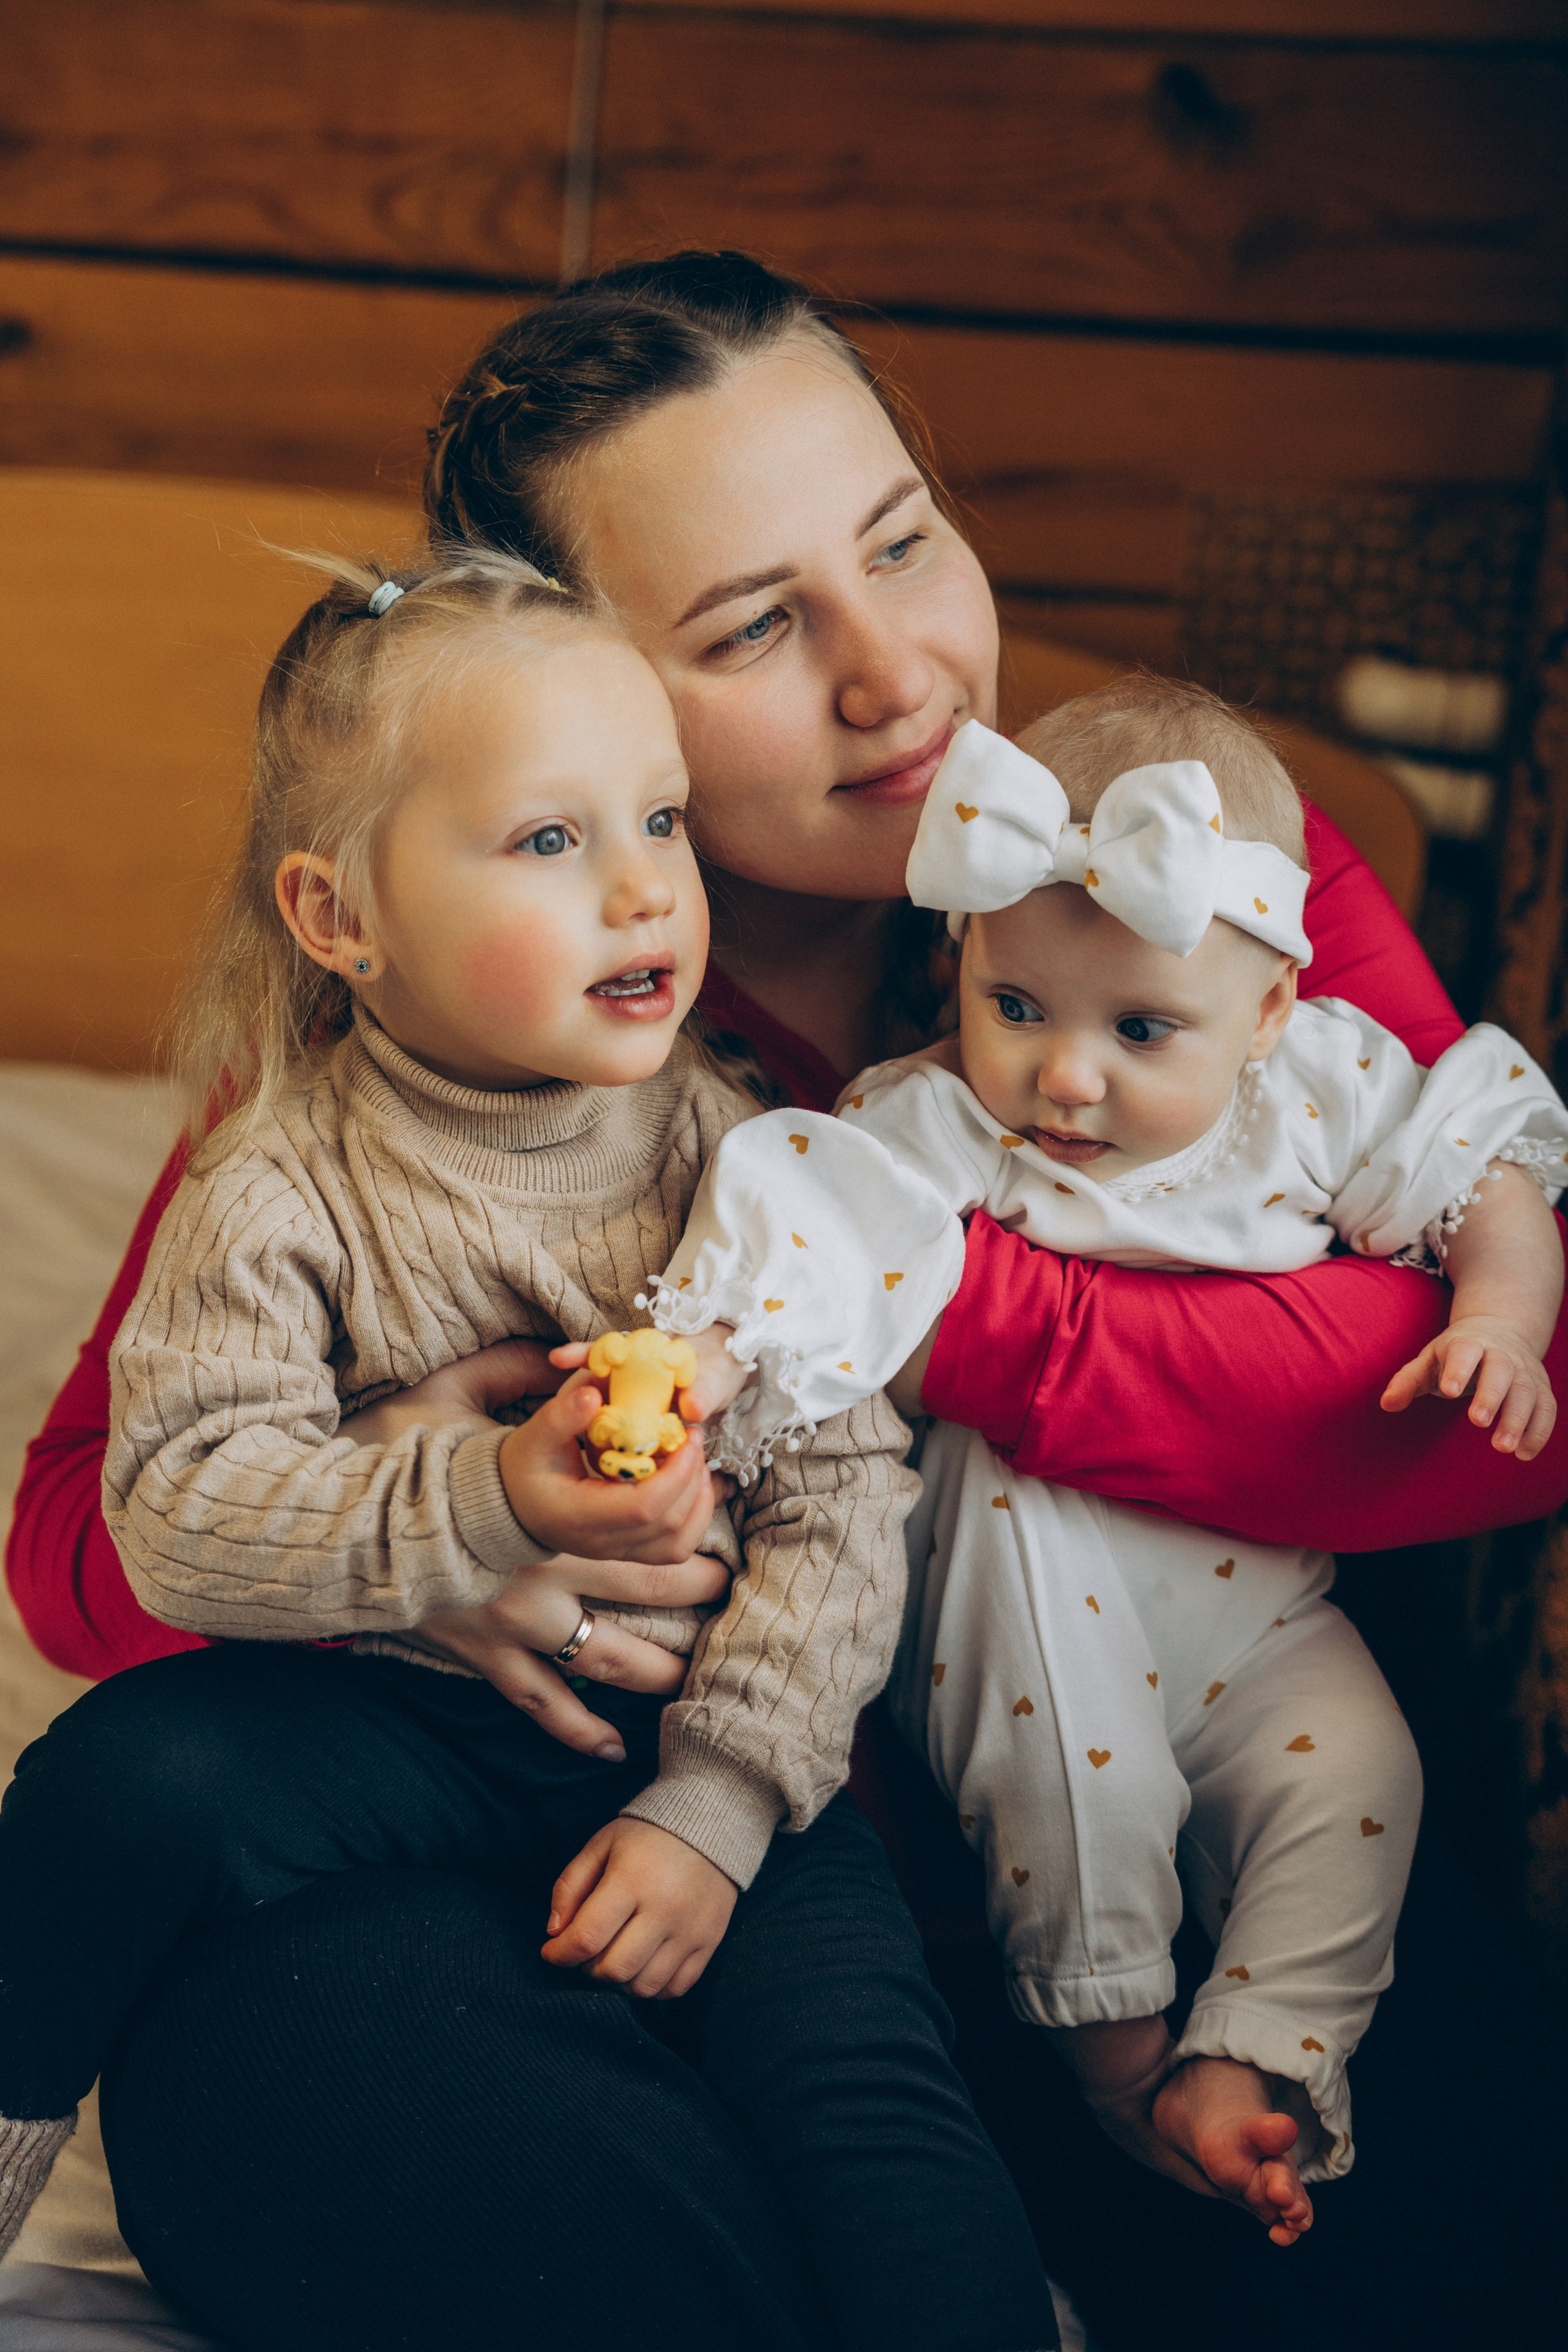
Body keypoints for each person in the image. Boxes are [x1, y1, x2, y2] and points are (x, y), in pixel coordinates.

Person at [8, 251, 1568, 2348]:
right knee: (280, 2088)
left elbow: (1468, 1417)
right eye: (752, 628)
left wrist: (921, 1301)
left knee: (1456, 2208)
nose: (900, 676)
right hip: (575, 1852)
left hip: (1100, 1838)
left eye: (904, 540)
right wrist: (427, 1520)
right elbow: (79, 1546)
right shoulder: (463, 1011)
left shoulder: (1191, 873)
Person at [0, 546, 1055, 2352]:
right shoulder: (276, 1183)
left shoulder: (749, 1163)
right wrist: (478, 1499)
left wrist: (717, 1812)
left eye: (658, 819)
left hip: (709, 1742)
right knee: (112, 1784)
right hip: (393, 1726)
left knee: (870, 2104)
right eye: (551, 843)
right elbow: (170, 1508)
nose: (648, 886)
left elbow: (837, 1501)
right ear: (341, 917)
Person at [647, 674, 1566, 2246]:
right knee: (1083, 1786)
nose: (1064, 1079)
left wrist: (1491, 1315)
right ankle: (1110, 2048)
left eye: (1139, 1029)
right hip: (1021, 1580)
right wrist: (698, 1363)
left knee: (1360, 1775)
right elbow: (800, 1239)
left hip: (1252, 1604)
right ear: (966, 959)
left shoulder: (1320, 1088)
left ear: (1269, 1007)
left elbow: (1483, 1181)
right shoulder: (935, 1123)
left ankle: (1259, 2052)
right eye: (1016, 1008)